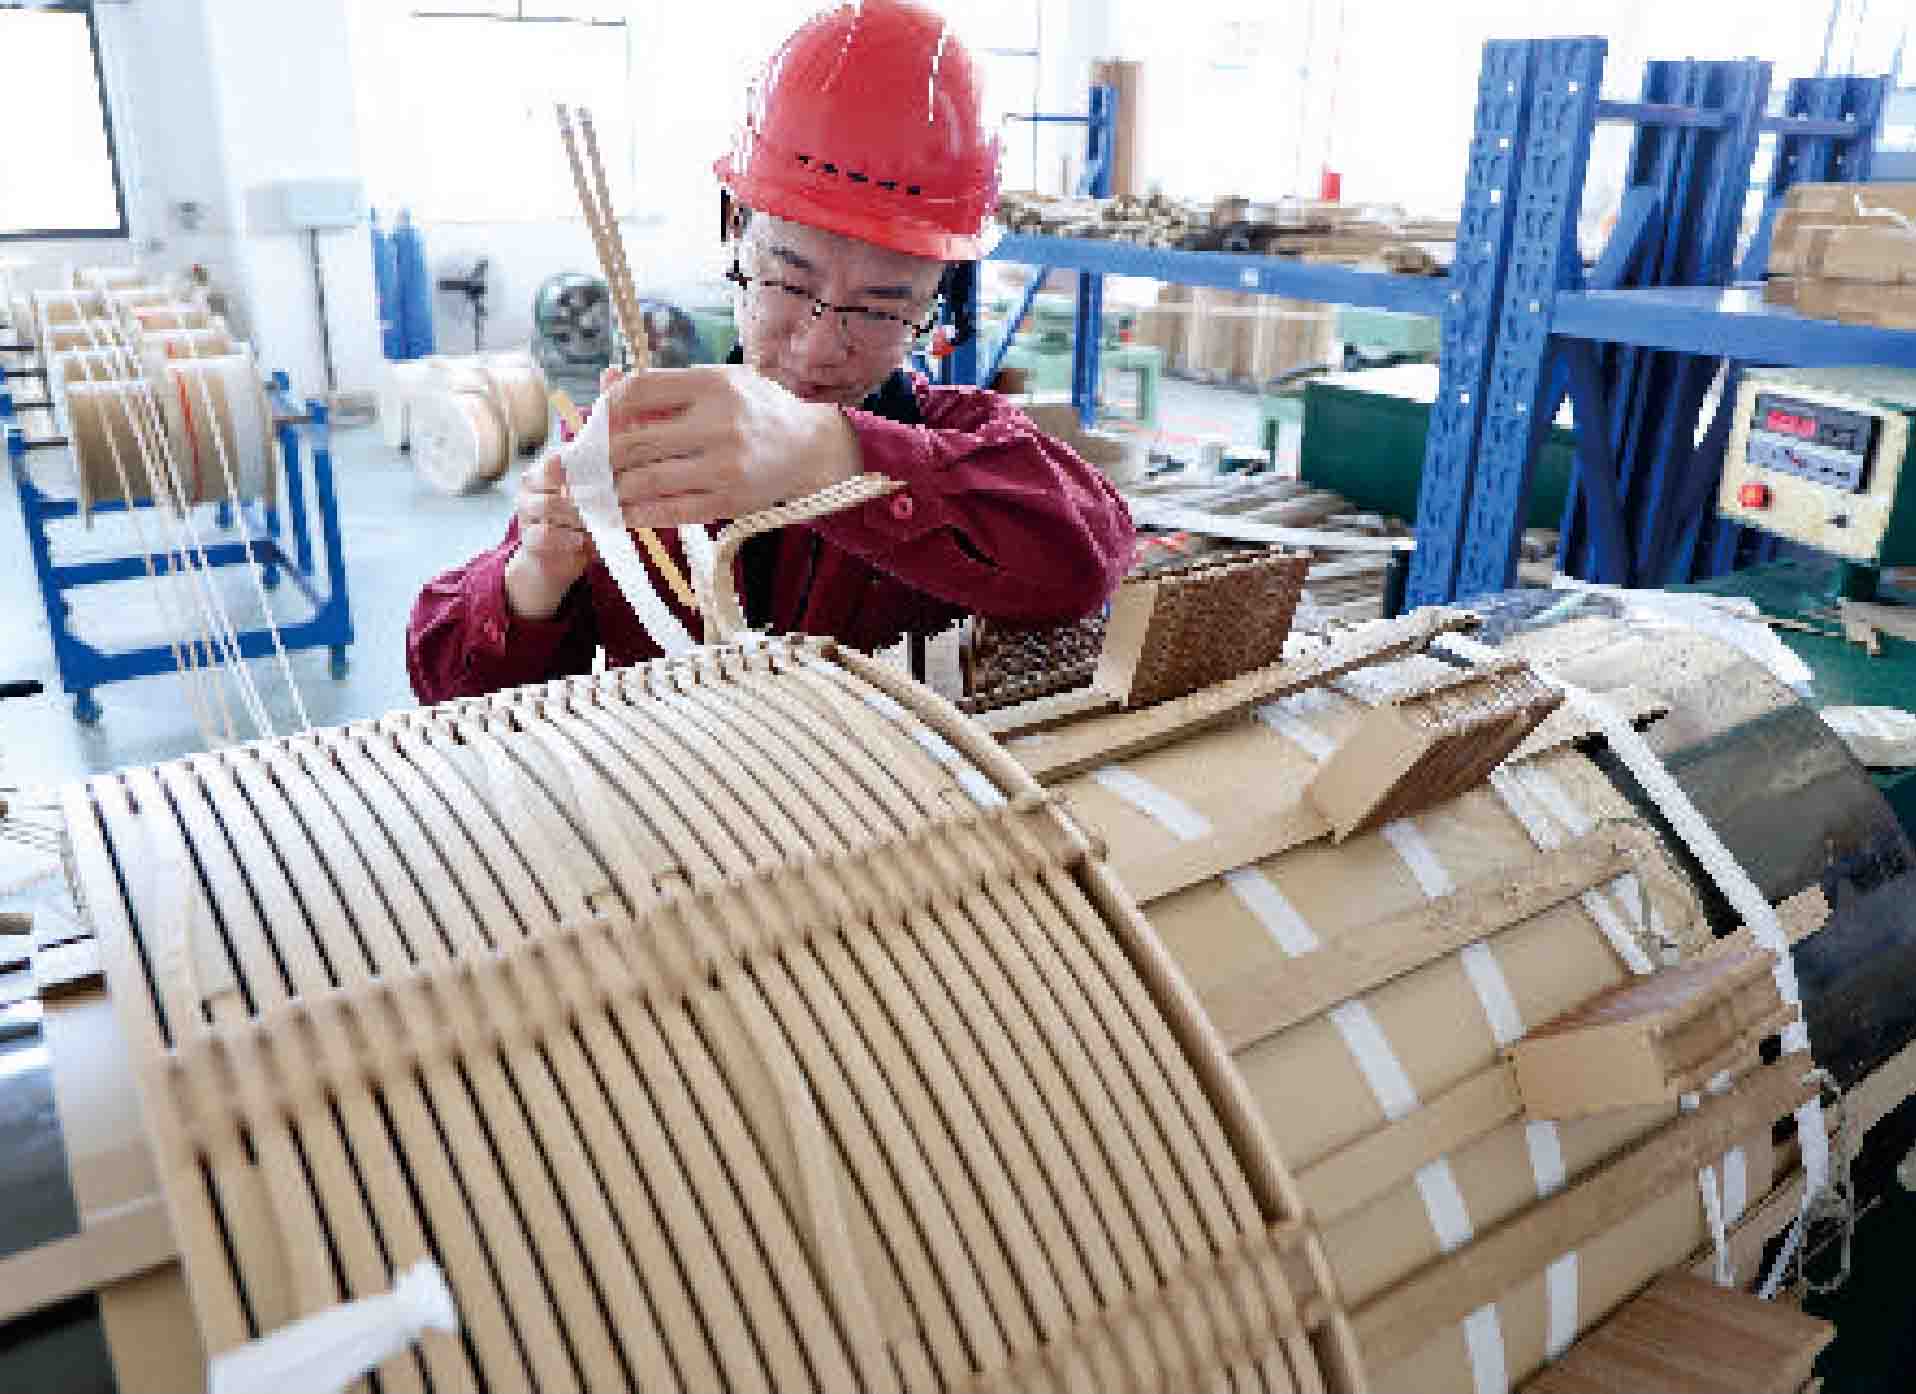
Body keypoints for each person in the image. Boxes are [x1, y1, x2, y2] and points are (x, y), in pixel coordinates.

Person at [407, 0, 1135, 704]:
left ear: (935, 299)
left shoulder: (957, 439)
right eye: (789, 280)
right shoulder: (634, 444)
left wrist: (836, 454)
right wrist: (537, 577)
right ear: (735, 228)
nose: (819, 348)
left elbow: (1089, 560)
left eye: (881, 308)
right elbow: (450, 688)